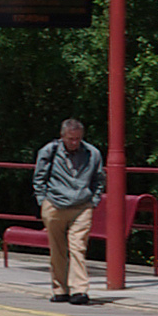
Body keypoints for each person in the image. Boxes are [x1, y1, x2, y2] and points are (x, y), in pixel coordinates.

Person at [32, 117, 104, 303]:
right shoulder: (49, 151)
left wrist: (93, 201)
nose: (74, 143)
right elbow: (39, 177)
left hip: (81, 206)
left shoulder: (92, 153)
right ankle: (60, 289)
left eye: (78, 139)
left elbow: (98, 179)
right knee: (58, 249)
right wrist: (43, 201)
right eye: (71, 139)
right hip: (55, 205)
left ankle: (79, 290)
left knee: (78, 247)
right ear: (62, 136)